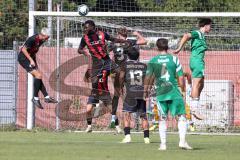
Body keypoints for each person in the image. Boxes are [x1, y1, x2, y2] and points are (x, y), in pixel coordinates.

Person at [78, 20, 128, 132]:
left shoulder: (102, 34)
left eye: (86, 27)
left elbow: (113, 39)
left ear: (92, 27)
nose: (85, 29)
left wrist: (123, 41)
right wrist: (83, 52)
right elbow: (79, 49)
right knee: (89, 106)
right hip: (97, 71)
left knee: (120, 71)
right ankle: (89, 125)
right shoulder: (84, 38)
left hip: (106, 63)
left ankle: (117, 126)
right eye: (84, 28)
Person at [145, 38, 192, 150]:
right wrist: (183, 90)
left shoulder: (153, 60)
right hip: (174, 92)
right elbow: (181, 77)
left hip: (161, 92)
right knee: (181, 116)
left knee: (162, 118)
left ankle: (163, 144)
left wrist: (146, 90)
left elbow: (148, 77)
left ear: (157, 48)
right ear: (167, 47)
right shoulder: (174, 59)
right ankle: (182, 141)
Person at [109, 27, 147, 132]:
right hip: (128, 70)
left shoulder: (114, 43)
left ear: (118, 34)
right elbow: (144, 41)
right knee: (131, 94)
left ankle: (113, 118)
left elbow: (104, 53)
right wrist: (137, 34)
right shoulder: (130, 42)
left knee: (117, 94)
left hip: (116, 72)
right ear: (126, 35)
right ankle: (134, 119)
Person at [173, 18, 212, 120]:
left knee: (201, 83)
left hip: (198, 61)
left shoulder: (202, 36)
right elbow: (186, 35)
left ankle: (193, 94)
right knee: (197, 83)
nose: (210, 28)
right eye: (210, 26)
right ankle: (194, 109)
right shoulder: (198, 33)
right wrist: (179, 48)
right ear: (206, 25)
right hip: (197, 61)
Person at [18, 27, 58, 109]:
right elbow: (23, 50)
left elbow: (33, 50)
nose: (48, 39)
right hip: (24, 58)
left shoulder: (42, 40)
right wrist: (31, 60)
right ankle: (35, 98)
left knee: (38, 77)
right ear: (43, 35)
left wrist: (34, 60)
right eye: (47, 37)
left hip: (31, 58)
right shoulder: (32, 39)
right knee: (38, 76)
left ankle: (46, 97)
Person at [119, 46, 150, 144]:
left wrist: (121, 86)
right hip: (141, 93)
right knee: (143, 115)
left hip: (131, 93)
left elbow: (121, 77)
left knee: (127, 113)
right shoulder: (144, 66)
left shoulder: (125, 65)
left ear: (128, 56)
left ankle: (127, 136)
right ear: (138, 56)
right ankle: (146, 138)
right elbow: (148, 79)